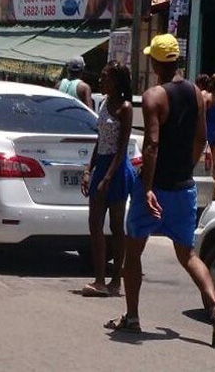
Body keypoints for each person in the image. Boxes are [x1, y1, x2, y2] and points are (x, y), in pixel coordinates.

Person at [105, 34, 215, 346]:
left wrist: (147, 187)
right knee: (187, 254)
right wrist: (185, 169)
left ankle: (132, 317)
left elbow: (152, 145)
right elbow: (201, 138)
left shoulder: (153, 96)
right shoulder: (197, 94)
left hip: (156, 186)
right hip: (183, 187)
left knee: (133, 252)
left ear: (156, 62)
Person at [80, 61, 135, 297]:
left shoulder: (125, 108)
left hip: (117, 167)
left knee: (115, 225)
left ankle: (114, 280)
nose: (101, 81)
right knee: (94, 222)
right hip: (101, 163)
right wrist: (88, 170)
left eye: (105, 77)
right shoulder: (102, 104)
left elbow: (121, 149)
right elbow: (100, 140)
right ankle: (100, 278)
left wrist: (107, 178)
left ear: (117, 81)